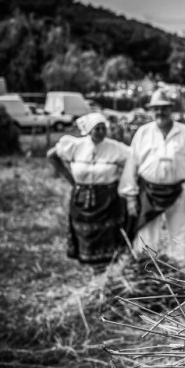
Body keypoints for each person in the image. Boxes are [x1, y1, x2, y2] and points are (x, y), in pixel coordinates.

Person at [119, 90, 185, 264]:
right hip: (149, 192)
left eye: (164, 108)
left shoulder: (184, 132)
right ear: (151, 111)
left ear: (170, 109)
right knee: (147, 233)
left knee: (180, 232)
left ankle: (180, 272)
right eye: (156, 109)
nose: (160, 112)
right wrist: (130, 196)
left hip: (178, 190)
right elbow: (132, 164)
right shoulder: (143, 133)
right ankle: (147, 269)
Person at [47, 113, 131, 270]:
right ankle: (94, 270)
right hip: (82, 199)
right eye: (96, 129)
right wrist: (71, 180)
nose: (100, 132)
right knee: (86, 235)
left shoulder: (115, 147)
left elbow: (133, 160)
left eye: (103, 128)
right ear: (88, 130)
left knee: (109, 235)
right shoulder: (76, 145)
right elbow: (51, 155)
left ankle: (110, 270)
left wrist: (124, 180)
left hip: (108, 199)